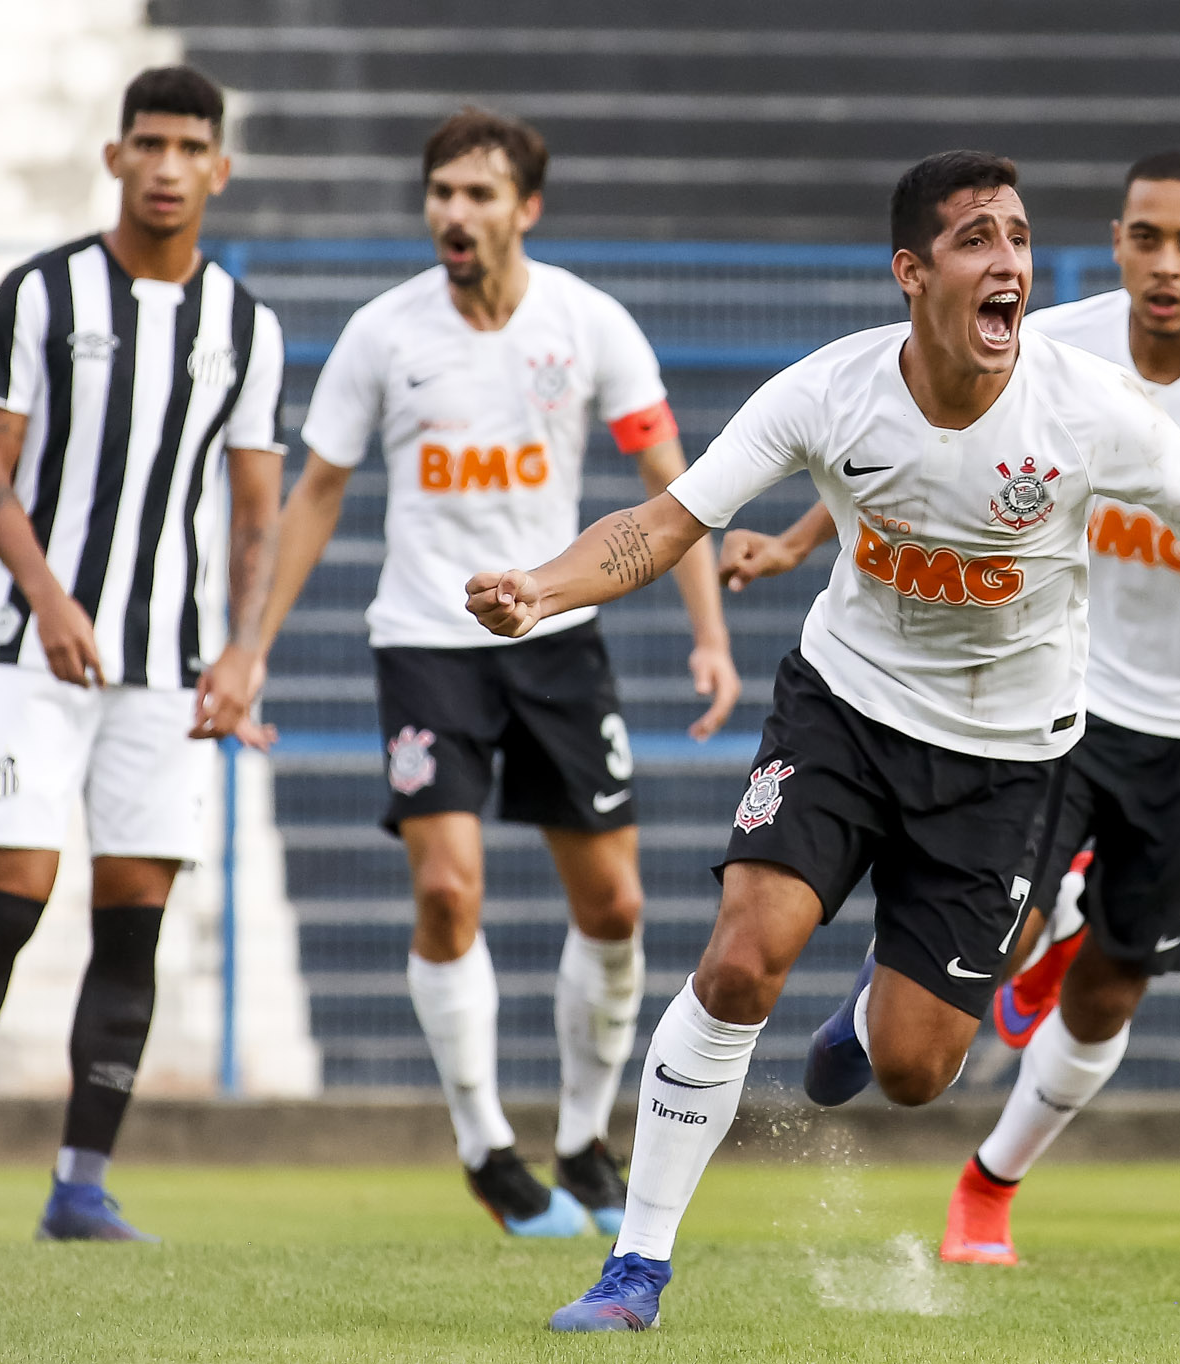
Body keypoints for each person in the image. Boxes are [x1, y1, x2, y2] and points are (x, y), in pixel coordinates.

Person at [465, 149, 1180, 1331]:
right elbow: (666, 521)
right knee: (741, 954)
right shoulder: (826, 390)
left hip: (1008, 758)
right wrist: (540, 589)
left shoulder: (1087, 410)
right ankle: (633, 1267)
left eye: (1015, 237)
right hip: (845, 711)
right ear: (912, 274)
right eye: (975, 239)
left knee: (916, 1069)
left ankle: (866, 1012)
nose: (1006, 260)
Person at [727, 148, 1180, 1266]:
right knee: (1006, 929)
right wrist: (794, 538)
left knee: (1110, 983)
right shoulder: (1047, 342)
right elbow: (911, 460)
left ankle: (990, 1181)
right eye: (1142, 237)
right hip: (1059, 703)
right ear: (1115, 239)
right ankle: (926, 994)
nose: (1162, 264)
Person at [250, 107, 741, 1239]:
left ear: (526, 208)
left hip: (555, 638)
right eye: (439, 193)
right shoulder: (383, 334)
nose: (452, 214)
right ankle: (483, 1141)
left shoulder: (589, 322)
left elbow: (673, 485)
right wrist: (251, 649)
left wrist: (707, 634)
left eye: (477, 194)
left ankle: (580, 1134)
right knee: (444, 890)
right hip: (426, 641)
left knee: (615, 903)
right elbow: (316, 489)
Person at [0, 66, 285, 1243]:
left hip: (165, 668)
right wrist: (48, 597)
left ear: (218, 167)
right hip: (27, 653)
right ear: (114, 158)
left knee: (133, 917)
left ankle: (80, 1182)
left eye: (187, 146)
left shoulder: (244, 326)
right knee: (9, 898)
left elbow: (255, 511)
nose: (165, 165)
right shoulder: (40, 294)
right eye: (146, 142)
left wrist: (242, 649)